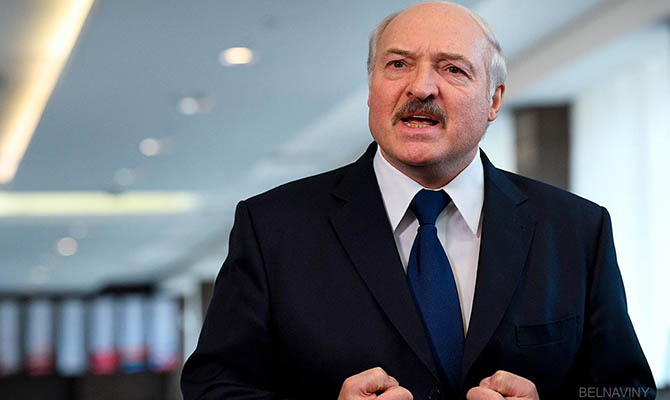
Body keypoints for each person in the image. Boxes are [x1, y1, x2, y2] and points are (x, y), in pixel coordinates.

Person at [181, 2, 656, 399]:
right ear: (372, 88)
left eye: (452, 69)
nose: (421, 87)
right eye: (398, 65)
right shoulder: (274, 227)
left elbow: (626, 389)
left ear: (493, 100)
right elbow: (214, 387)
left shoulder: (576, 229)